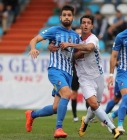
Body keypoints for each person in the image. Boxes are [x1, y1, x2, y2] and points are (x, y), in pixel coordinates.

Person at [59, 15, 121, 139]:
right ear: (81, 25)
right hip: (84, 78)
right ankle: (113, 128)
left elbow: (89, 47)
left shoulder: (93, 38)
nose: (86, 25)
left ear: (92, 26)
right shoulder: (76, 40)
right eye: (83, 23)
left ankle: (85, 121)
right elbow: (72, 57)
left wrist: (72, 46)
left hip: (98, 76)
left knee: (94, 108)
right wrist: (79, 51)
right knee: (93, 105)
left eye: (88, 23)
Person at [25, 5, 79, 138]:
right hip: (55, 70)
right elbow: (35, 39)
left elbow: (76, 54)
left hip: (68, 74)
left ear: (73, 18)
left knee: (56, 108)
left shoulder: (76, 36)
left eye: (69, 15)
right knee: (67, 93)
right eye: (64, 15)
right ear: (60, 17)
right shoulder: (54, 30)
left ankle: (31, 115)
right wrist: (33, 48)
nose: (66, 17)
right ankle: (59, 129)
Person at [107, 9, 127, 134]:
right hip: (123, 73)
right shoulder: (121, 36)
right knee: (125, 97)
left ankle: (112, 116)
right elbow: (113, 56)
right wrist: (111, 75)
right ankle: (119, 126)